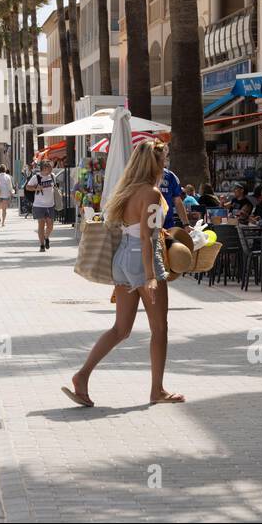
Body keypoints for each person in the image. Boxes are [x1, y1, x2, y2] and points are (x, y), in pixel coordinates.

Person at [64, 140, 183, 407]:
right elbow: (146, 237)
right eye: (164, 158)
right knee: (159, 328)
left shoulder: (126, 191)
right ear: (156, 162)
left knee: (120, 329)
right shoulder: (151, 194)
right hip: (142, 258)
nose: (166, 162)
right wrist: (151, 275)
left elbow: (125, 232)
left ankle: (82, 376)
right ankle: (157, 390)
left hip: (122, 258)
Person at [26, 160, 58, 252]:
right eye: (49, 167)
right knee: (41, 225)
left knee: (50, 226)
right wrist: (36, 188)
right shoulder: (36, 177)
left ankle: (46, 237)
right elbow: (28, 187)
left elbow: (54, 187)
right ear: (44, 168)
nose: (51, 169)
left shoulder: (52, 176)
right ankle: (42, 245)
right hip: (39, 205)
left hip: (50, 204)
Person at [158, 150, 190, 230]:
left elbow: (178, 202)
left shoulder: (171, 176)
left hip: (168, 225)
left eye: (164, 157)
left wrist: (186, 224)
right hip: (148, 226)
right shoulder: (143, 176)